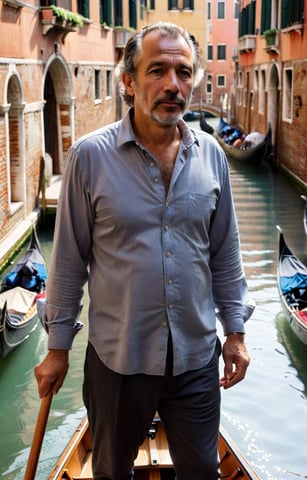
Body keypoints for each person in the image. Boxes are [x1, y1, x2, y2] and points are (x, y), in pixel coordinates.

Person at [35, 21, 254, 480]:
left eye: (183, 72)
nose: (173, 85)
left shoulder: (212, 155)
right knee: (111, 472)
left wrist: (235, 331)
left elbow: (224, 253)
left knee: (202, 472)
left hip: (196, 358)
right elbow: (69, 262)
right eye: (158, 71)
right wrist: (57, 350)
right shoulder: (89, 158)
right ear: (129, 82)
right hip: (119, 361)